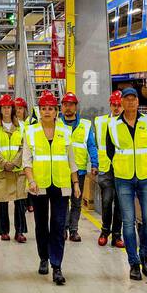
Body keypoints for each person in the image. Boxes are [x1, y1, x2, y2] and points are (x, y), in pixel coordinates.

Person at [23, 91, 79, 285]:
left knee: (58, 224)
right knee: (41, 224)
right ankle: (43, 258)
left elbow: (71, 160)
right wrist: (31, 180)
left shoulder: (65, 132)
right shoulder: (30, 132)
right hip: (39, 184)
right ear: (39, 111)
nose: (47, 112)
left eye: (51, 108)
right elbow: (26, 161)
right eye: (43, 108)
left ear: (57, 112)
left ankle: (57, 266)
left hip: (61, 184)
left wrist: (76, 184)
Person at [104, 88, 147, 280]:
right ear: (122, 103)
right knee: (128, 223)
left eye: (133, 99)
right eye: (126, 100)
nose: (130, 103)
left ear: (137, 102)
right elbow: (110, 151)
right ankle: (134, 263)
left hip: (145, 177)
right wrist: (121, 166)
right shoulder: (112, 125)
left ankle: (145, 255)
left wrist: (145, 165)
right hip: (124, 178)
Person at [92, 91, 125, 248]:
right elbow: (96, 144)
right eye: (114, 105)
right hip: (106, 168)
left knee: (120, 204)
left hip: (123, 169)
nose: (116, 108)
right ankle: (105, 231)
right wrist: (95, 164)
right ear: (110, 105)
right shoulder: (100, 122)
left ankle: (117, 235)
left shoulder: (127, 122)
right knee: (106, 201)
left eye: (119, 105)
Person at [0, 95, 28, 243]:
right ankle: (4, 231)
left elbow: (24, 147)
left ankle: (19, 231)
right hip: (1, 169)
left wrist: (14, 162)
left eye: (9, 107)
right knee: (3, 201)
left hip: (17, 170)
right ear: (0, 110)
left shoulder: (21, 126)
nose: (6, 110)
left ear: (12, 109)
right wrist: (3, 163)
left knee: (20, 202)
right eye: (4, 107)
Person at [59, 93, 90, 243]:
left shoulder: (85, 125)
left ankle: (74, 230)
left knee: (76, 202)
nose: (68, 107)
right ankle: (63, 229)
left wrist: (95, 164)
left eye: (71, 104)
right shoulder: (57, 123)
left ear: (76, 107)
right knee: (63, 201)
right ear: (62, 107)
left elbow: (91, 145)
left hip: (80, 169)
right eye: (65, 104)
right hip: (63, 170)